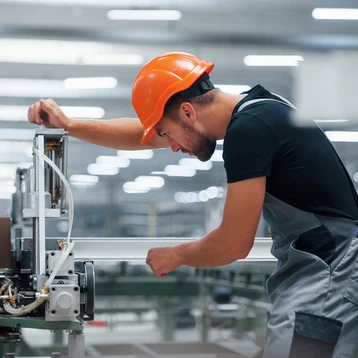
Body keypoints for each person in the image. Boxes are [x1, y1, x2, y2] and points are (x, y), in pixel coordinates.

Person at [27, 52, 358, 358]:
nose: (170, 147)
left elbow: (233, 244)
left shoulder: (250, 131)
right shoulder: (257, 109)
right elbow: (140, 135)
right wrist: (69, 124)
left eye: (168, 135)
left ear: (187, 111)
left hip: (330, 275)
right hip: (318, 270)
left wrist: (175, 255)